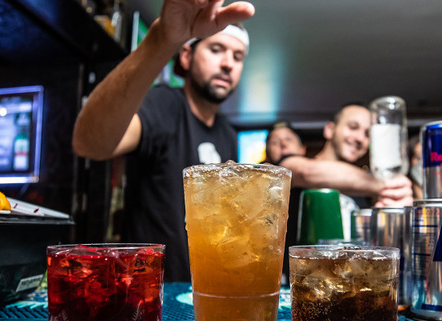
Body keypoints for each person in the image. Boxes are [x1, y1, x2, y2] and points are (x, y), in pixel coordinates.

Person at [72, 0, 256, 282]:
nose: (228, 63)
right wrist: (162, 40)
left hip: (204, 295)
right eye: (216, 49)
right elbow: (90, 143)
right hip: (152, 292)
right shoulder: (166, 105)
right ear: (186, 57)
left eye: (238, 56)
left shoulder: (228, 134)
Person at [276, 103, 414, 270]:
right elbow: (306, 171)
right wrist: (385, 185)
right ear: (329, 130)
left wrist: (397, 205)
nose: (360, 138)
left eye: (367, 134)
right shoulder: (292, 163)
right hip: (297, 284)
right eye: (353, 127)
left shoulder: (365, 193)